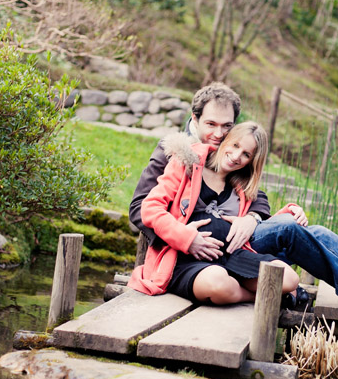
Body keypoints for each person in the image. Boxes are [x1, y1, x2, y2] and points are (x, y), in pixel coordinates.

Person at [129, 82, 338, 309]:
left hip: (241, 242)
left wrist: (253, 219)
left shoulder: (234, 158)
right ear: (194, 119)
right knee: (290, 233)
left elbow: (258, 199)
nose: (218, 133)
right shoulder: (178, 154)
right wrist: (187, 239)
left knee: (315, 232)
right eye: (210, 124)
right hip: (194, 252)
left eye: (226, 126)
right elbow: (141, 210)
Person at [128, 122, 302, 305]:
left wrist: (290, 212)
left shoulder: (241, 185)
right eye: (235, 145)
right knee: (218, 282)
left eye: (246, 154)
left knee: (289, 278)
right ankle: (256, 296)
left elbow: (260, 219)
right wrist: (186, 237)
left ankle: (243, 289)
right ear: (226, 139)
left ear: (252, 161)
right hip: (184, 258)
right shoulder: (187, 164)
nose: (236, 157)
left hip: (231, 255)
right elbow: (150, 207)